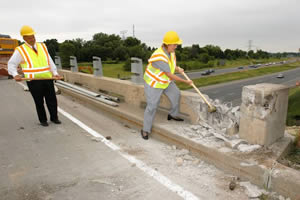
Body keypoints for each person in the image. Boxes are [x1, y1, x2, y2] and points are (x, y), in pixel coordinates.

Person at [141, 31, 193, 140]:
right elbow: (170, 74)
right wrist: (186, 82)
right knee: (152, 106)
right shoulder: (159, 56)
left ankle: (173, 115)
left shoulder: (171, 52)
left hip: (165, 81)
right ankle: (145, 130)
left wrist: (178, 68)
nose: (176, 46)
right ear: (168, 44)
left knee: (176, 94)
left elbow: (171, 65)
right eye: (175, 44)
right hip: (154, 83)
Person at [8, 25, 62, 127]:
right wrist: (15, 75)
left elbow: (49, 60)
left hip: (47, 78)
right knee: (39, 101)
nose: (32, 39)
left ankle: (54, 118)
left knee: (52, 100)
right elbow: (11, 64)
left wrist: (55, 73)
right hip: (33, 81)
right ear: (24, 38)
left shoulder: (42, 46)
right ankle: (43, 120)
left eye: (33, 36)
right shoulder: (21, 50)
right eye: (29, 37)